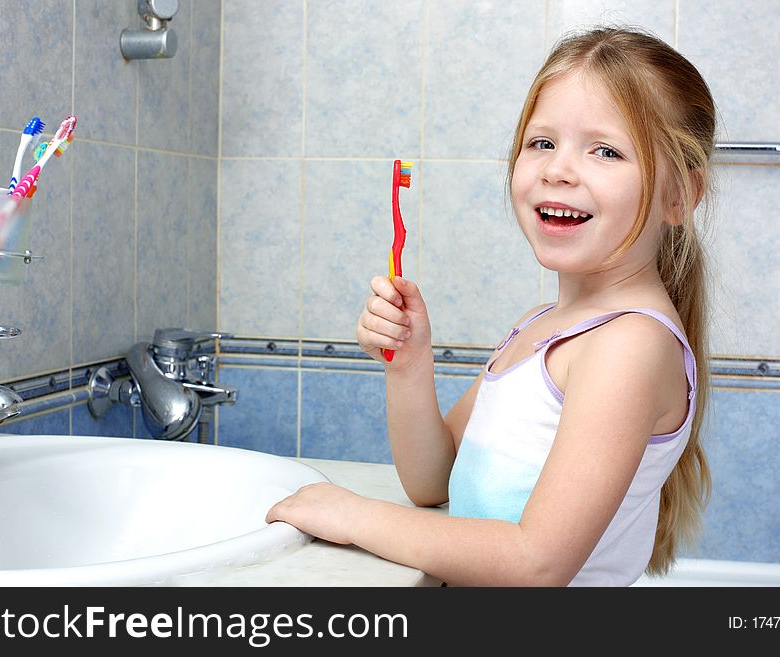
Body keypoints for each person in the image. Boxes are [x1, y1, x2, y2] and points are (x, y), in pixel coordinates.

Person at [266, 25, 714, 586]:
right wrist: (409, 364)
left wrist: (352, 514)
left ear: (680, 196)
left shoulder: (629, 346)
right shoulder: (541, 327)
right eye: (542, 142)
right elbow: (433, 479)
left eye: (605, 150)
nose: (558, 169)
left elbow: (536, 565)